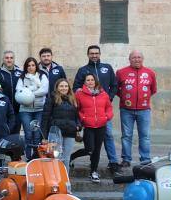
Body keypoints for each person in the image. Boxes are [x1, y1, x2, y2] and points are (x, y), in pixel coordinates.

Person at [73, 45, 119, 173]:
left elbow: (114, 85)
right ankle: (92, 163)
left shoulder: (107, 68)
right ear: (88, 55)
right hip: (89, 113)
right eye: (92, 53)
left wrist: (108, 98)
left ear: (100, 54)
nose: (94, 55)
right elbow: (76, 87)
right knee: (91, 145)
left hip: (103, 111)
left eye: (96, 53)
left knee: (108, 136)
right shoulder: (83, 70)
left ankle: (113, 162)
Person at [116, 50, 157, 166]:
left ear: (142, 59)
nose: (136, 59)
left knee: (145, 136)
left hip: (144, 110)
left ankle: (145, 159)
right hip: (126, 110)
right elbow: (116, 89)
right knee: (126, 136)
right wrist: (125, 98)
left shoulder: (150, 73)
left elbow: (153, 90)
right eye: (134, 57)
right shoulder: (121, 72)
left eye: (139, 57)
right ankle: (126, 159)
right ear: (129, 59)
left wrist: (143, 99)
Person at [72, 73, 113, 182]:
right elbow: (76, 109)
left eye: (92, 80)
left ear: (95, 81)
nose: (90, 82)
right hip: (88, 126)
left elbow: (109, 107)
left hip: (101, 125)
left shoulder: (103, 94)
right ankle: (72, 157)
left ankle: (93, 171)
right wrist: (83, 118)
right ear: (84, 82)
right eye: (88, 80)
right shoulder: (80, 94)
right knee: (89, 149)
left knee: (97, 150)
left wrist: (106, 117)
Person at [41, 78, 80, 170]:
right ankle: (55, 180)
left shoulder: (73, 99)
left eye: (66, 86)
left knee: (66, 158)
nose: (64, 88)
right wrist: (44, 136)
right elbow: (45, 117)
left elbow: (77, 115)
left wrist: (78, 125)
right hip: (56, 132)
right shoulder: (51, 99)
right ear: (57, 87)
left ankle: (65, 181)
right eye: (61, 86)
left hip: (70, 132)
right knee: (56, 157)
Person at [15, 57, 49, 160]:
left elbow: (44, 90)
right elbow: (19, 91)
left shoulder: (42, 76)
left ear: (36, 66)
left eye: (33, 65)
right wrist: (33, 90)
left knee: (37, 134)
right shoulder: (22, 77)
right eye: (28, 65)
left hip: (39, 109)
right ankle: (28, 157)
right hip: (25, 110)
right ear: (26, 67)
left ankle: (37, 157)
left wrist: (29, 93)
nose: (31, 67)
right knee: (28, 134)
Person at [0, 50, 23, 133]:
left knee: (16, 134)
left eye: (11, 58)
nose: (9, 60)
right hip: (3, 110)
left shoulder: (21, 73)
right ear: (3, 59)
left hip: (17, 110)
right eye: (7, 58)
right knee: (4, 133)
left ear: (14, 59)